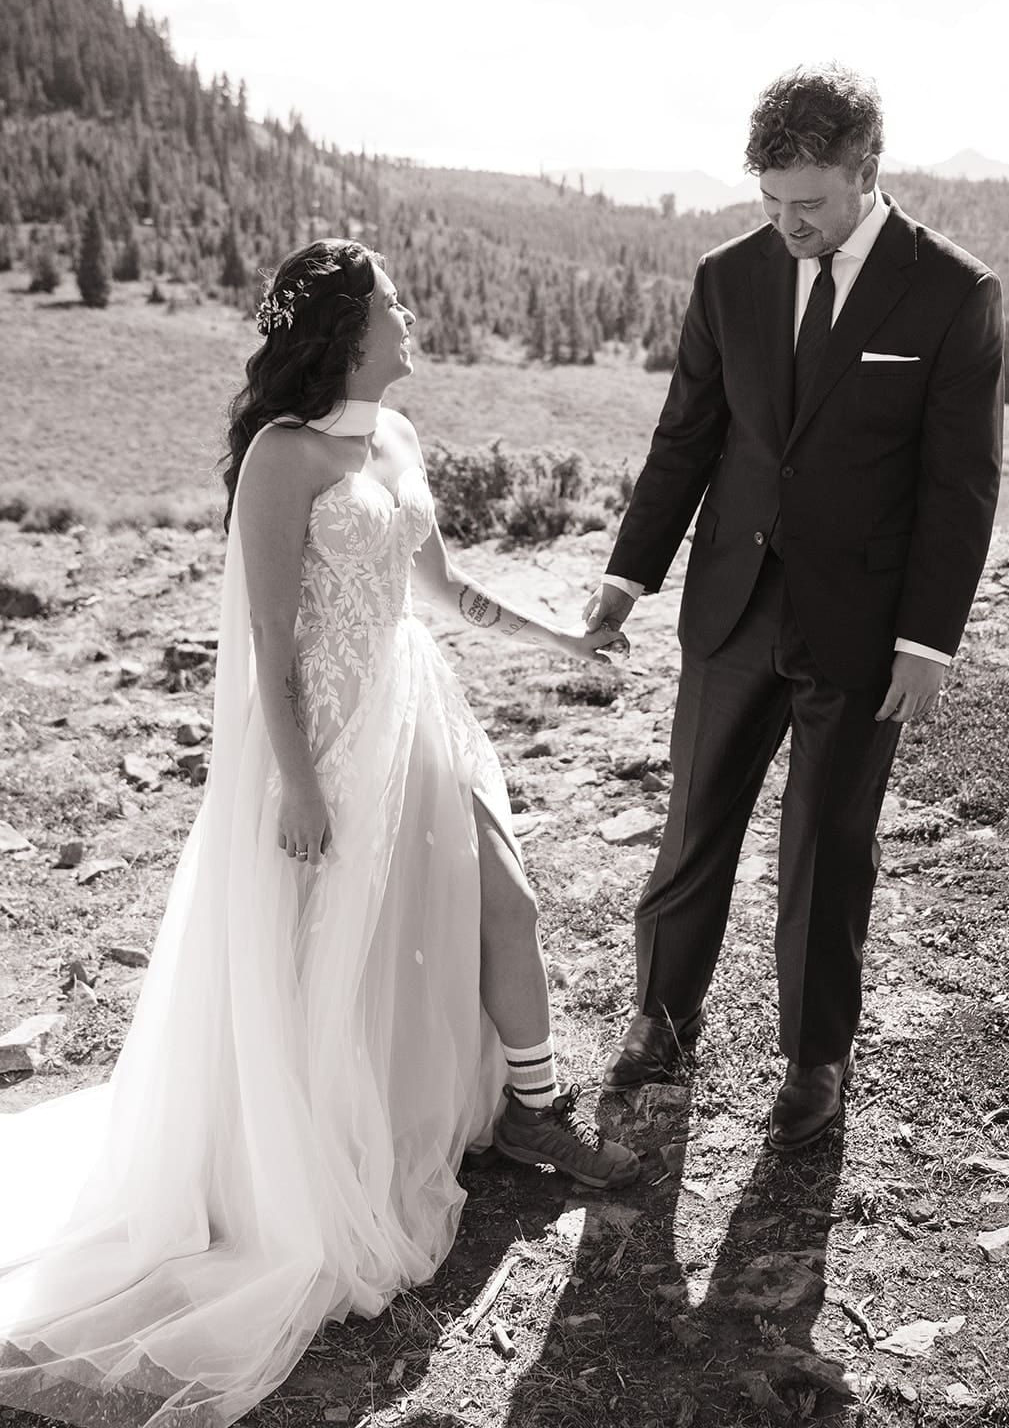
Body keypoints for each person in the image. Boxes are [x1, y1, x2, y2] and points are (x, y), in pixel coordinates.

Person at [0, 240, 638, 1428]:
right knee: (326, 960)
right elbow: (270, 643)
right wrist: (295, 784)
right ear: (348, 328)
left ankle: (532, 1113)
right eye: (393, 301)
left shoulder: (395, 440)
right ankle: (301, 1157)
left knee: (505, 897)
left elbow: (436, 587)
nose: (411, 313)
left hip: (417, 717)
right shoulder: (281, 458)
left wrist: (560, 640)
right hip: (324, 744)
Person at [586, 64, 1003, 1150]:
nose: (785, 224)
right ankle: (660, 1023)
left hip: (863, 630)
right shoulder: (728, 276)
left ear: (866, 173)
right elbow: (685, 436)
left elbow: (959, 486)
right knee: (691, 829)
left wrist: (926, 642)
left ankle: (814, 1060)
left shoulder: (951, 292)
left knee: (825, 845)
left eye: (806, 204)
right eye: (768, 201)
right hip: (729, 608)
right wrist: (625, 577)